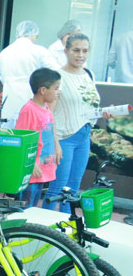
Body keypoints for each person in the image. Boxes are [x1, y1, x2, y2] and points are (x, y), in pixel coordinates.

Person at [44, 34, 100, 212]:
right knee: (57, 188)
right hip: (64, 138)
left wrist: (104, 112)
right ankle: (43, 231)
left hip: (84, 136)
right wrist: (55, 143)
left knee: (72, 189)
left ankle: (66, 232)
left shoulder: (89, 73)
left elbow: (88, 104)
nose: (80, 55)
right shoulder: (58, 77)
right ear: (66, 51)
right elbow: (49, 114)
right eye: (76, 50)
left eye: (85, 51)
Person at [15, 68, 62, 208]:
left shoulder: (46, 107)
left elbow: (50, 129)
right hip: (31, 172)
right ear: (43, 90)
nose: (58, 92)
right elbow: (21, 138)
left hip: (43, 168)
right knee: (24, 208)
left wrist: (56, 146)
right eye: (56, 88)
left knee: (34, 206)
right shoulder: (29, 110)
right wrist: (31, 164)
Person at [0, 20, 59, 124]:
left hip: (9, 103)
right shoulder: (39, 51)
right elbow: (55, 74)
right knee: (31, 135)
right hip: (32, 101)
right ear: (33, 34)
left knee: (11, 136)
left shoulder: (3, 53)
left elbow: (1, 77)